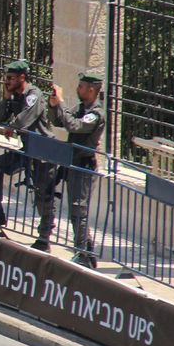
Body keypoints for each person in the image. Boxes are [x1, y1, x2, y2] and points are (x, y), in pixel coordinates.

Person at [0, 59, 53, 239]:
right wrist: (6, 98)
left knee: (42, 194)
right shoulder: (14, 95)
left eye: (10, 78)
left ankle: (44, 236)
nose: (6, 81)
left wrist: (12, 127)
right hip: (27, 150)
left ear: (22, 77)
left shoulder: (34, 94)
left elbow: (26, 118)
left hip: (42, 151)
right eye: (5, 77)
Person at [47, 69, 107, 267]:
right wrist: (54, 105)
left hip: (84, 166)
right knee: (75, 210)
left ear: (91, 90)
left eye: (81, 86)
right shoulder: (81, 108)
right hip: (72, 163)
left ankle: (82, 252)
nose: (77, 89)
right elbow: (59, 120)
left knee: (78, 210)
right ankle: (86, 252)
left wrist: (62, 103)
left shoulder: (95, 114)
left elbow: (75, 127)